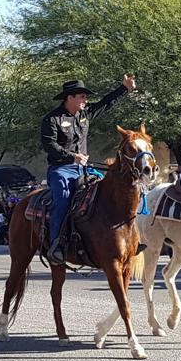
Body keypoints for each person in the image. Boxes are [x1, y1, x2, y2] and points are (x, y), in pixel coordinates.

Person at [42, 74, 137, 265]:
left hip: (84, 169)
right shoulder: (52, 119)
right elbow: (48, 144)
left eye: (85, 97)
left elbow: (105, 103)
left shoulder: (84, 115)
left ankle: (124, 239)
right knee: (63, 197)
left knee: (110, 192)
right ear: (70, 98)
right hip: (61, 169)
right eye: (82, 97)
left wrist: (124, 88)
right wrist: (72, 156)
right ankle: (56, 244)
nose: (86, 100)